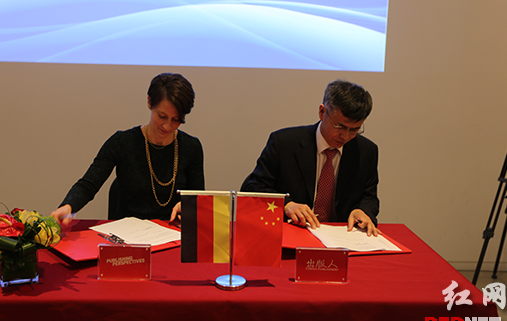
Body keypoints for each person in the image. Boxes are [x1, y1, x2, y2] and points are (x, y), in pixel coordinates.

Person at [51, 73, 204, 225]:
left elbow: (198, 198)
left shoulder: (191, 147)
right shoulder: (122, 142)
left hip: (172, 232)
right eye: (162, 116)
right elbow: (89, 184)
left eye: (175, 120)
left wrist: (188, 205)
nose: (167, 126)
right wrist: (68, 206)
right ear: (149, 102)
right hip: (126, 232)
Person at [240, 79, 379, 236]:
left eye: (354, 130)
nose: (345, 136)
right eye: (339, 126)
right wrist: (286, 205)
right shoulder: (284, 143)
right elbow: (253, 188)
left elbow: (369, 197)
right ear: (322, 112)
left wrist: (362, 210)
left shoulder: (366, 151)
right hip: (292, 232)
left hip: (341, 237)